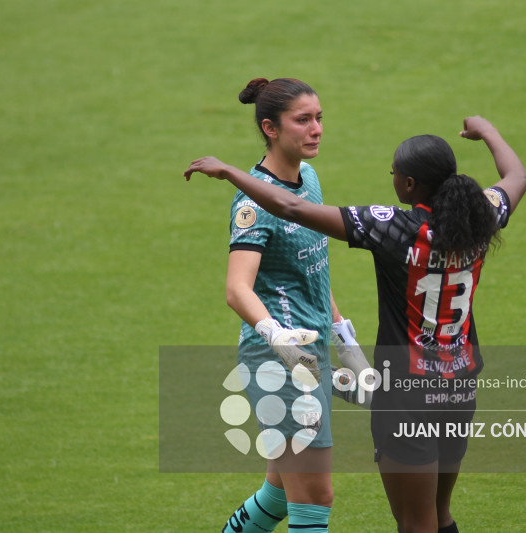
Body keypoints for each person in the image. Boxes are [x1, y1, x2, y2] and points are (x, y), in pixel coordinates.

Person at [185, 115, 526, 533]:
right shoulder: (482, 217)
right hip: (460, 386)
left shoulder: (396, 229)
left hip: (405, 394)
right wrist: (489, 130)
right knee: (440, 515)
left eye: (395, 174)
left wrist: (228, 172)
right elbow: (517, 176)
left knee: (415, 522)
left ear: (407, 185)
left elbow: (290, 206)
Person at [207, 77, 369, 533]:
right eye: (303, 120)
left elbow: (313, 269)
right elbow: (237, 289)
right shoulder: (253, 203)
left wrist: (343, 336)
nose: (316, 129)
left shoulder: (309, 179)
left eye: (319, 118)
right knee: (314, 499)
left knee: (279, 495)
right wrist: (277, 338)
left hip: (311, 354)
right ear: (270, 128)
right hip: (278, 360)